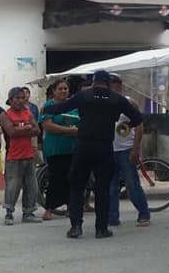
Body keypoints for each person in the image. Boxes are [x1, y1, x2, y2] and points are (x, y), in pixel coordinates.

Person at [40, 70, 144, 239]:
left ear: (94, 81)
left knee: (77, 185)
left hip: (84, 146)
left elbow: (62, 107)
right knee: (103, 188)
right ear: (108, 82)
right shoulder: (116, 98)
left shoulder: (84, 95)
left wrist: (47, 107)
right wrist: (127, 125)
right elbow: (138, 118)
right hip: (104, 147)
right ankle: (101, 229)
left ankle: (76, 227)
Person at [108, 76, 150, 228]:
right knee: (111, 186)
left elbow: (139, 125)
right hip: (110, 149)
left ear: (120, 86)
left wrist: (136, 148)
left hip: (126, 149)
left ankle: (143, 213)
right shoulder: (105, 103)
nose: (112, 88)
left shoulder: (129, 102)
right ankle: (112, 217)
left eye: (114, 85)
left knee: (132, 184)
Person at [0, 87, 40, 225]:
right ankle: (9, 213)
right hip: (14, 156)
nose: (20, 100)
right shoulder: (5, 115)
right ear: (10, 100)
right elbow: (11, 132)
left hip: (28, 154)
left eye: (23, 98)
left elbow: (37, 130)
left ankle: (29, 212)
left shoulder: (28, 112)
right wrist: (26, 128)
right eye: (17, 98)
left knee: (31, 185)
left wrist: (22, 129)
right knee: (13, 185)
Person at [40, 79, 78, 220]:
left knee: (71, 178)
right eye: (60, 89)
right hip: (55, 148)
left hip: (72, 148)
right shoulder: (48, 106)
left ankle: (70, 207)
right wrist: (69, 131)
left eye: (65, 89)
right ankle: (49, 209)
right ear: (54, 91)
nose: (63, 91)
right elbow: (47, 126)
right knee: (56, 178)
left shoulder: (73, 105)